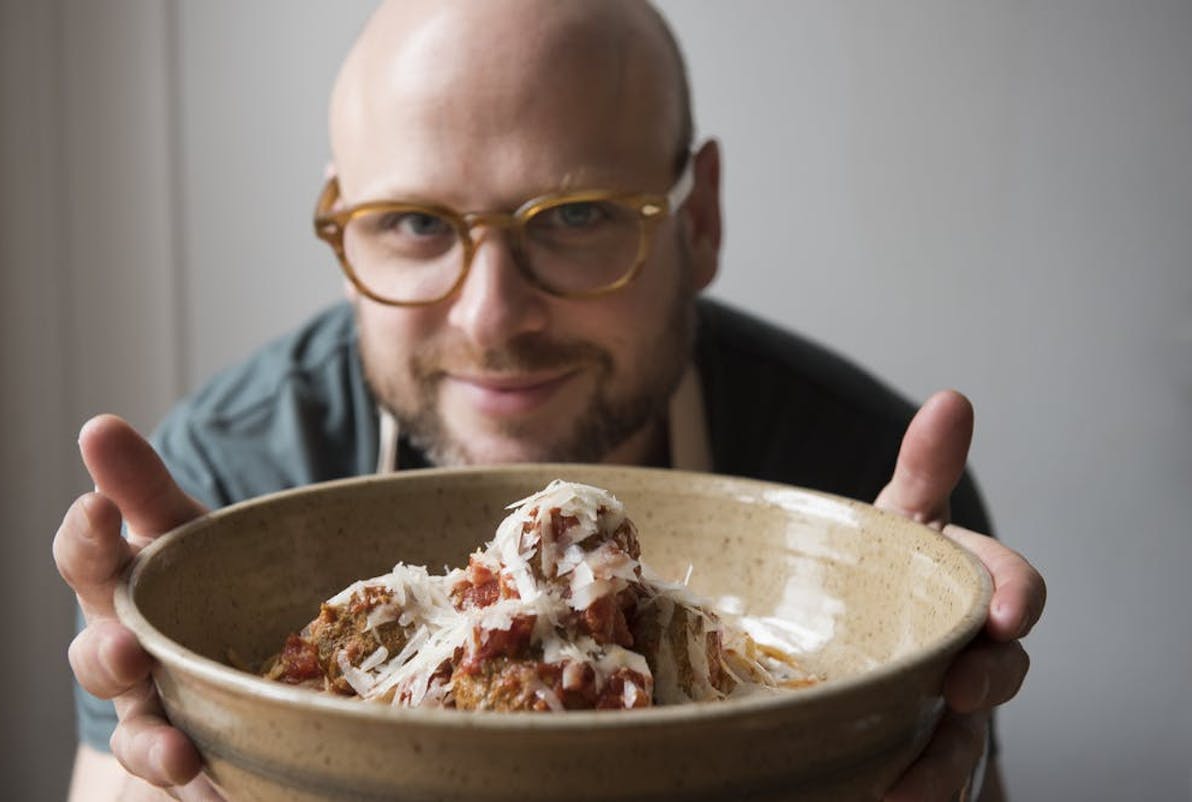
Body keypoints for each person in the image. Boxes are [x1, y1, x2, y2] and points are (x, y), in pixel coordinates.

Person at [52, 1, 1045, 800]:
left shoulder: (861, 486)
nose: (493, 316)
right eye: (411, 222)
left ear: (697, 219)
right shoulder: (223, 483)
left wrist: (890, 703)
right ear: (343, 232)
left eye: (574, 216)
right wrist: (208, 748)